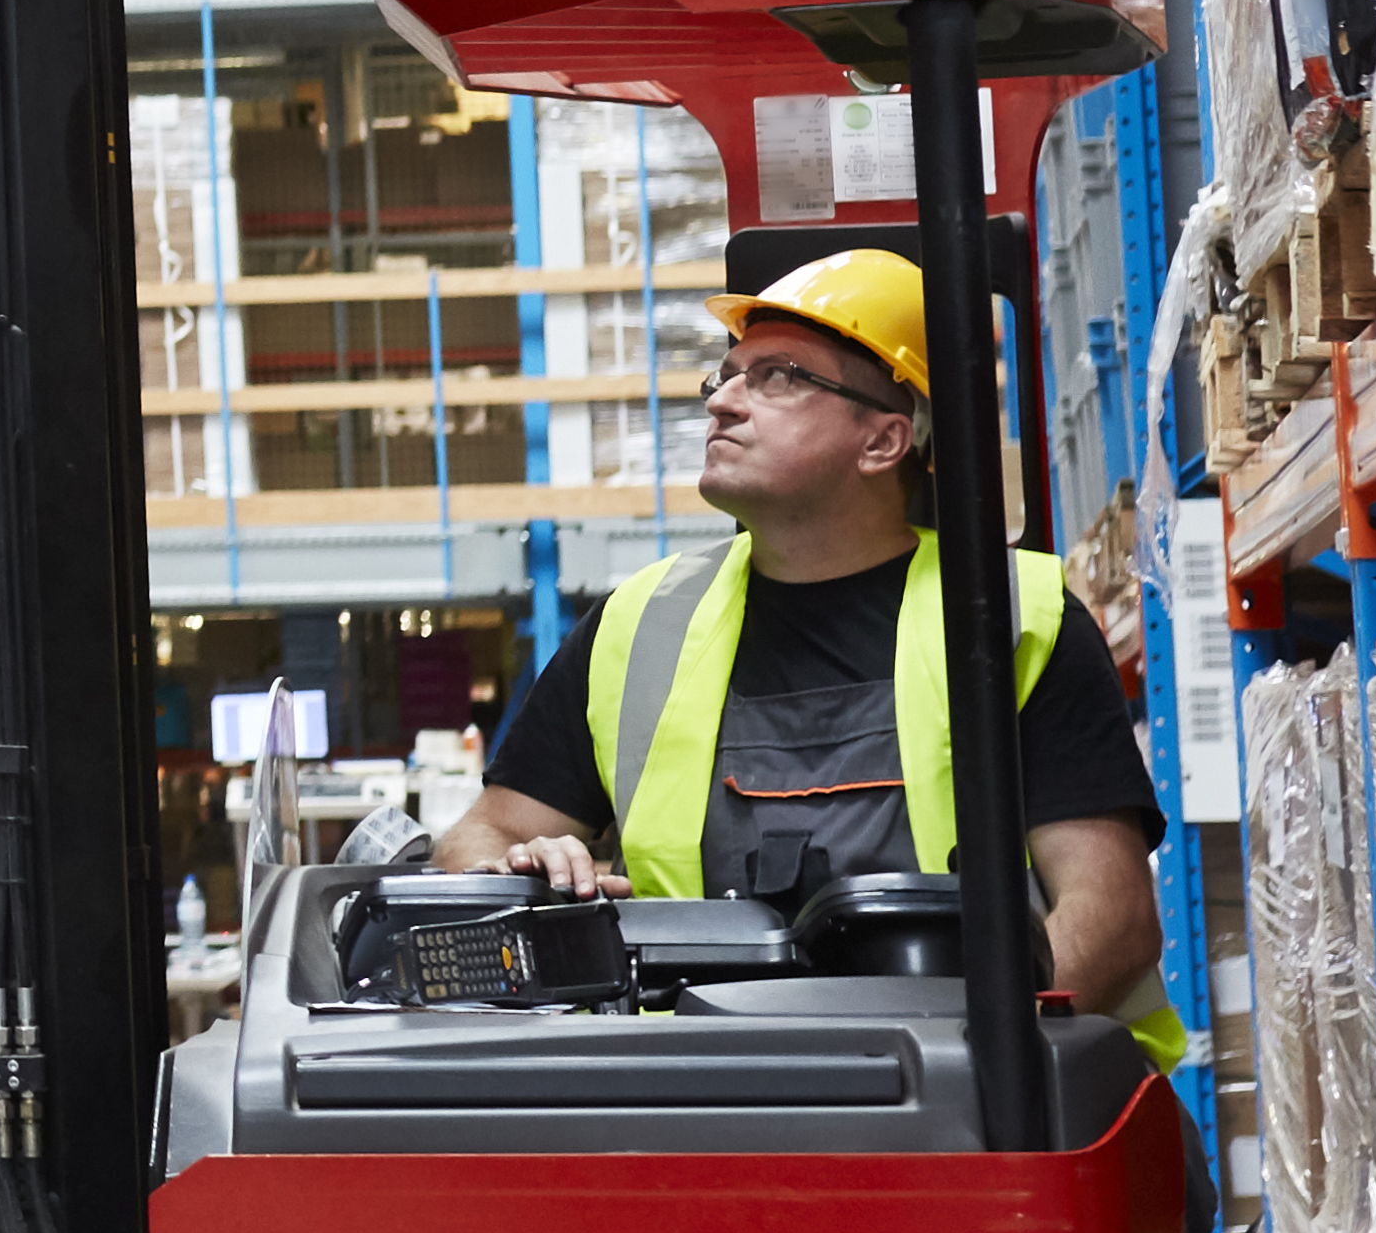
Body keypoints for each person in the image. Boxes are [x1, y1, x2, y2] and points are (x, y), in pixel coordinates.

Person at [439, 245, 1168, 1031]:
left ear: (884, 441)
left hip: (958, 1119)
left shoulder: (1016, 618)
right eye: (726, 375)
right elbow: (481, 833)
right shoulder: (639, 625)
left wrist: (968, 1074)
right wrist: (512, 869)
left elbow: (1112, 915)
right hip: (702, 1112)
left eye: (779, 376)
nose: (723, 401)